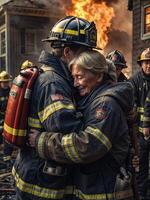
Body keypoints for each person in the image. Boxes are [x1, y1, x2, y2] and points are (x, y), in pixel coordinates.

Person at [12, 16, 99, 200]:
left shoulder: (58, 78)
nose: (89, 57)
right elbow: (71, 134)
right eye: (85, 52)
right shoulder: (54, 84)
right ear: (67, 52)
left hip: (38, 174)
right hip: (43, 185)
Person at [29, 50, 135, 200]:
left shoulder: (106, 104)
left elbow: (88, 146)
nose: (75, 83)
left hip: (104, 189)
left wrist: (42, 141)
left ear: (98, 76)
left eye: (79, 77)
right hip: (95, 185)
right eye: (73, 78)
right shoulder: (94, 98)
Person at [130, 47, 150, 200]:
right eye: (146, 63)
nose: (149, 66)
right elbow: (132, 106)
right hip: (140, 133)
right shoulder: (134, 81)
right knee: (141, 166)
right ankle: (141, 195)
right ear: (141, 64)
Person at [0, 71, 13, 170]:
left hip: (8, 119)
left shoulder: (11, 91)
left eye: (7, 82)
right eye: (3, 82)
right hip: (1, 119)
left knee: (8, 138)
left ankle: (7, 158)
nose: (5, 84)